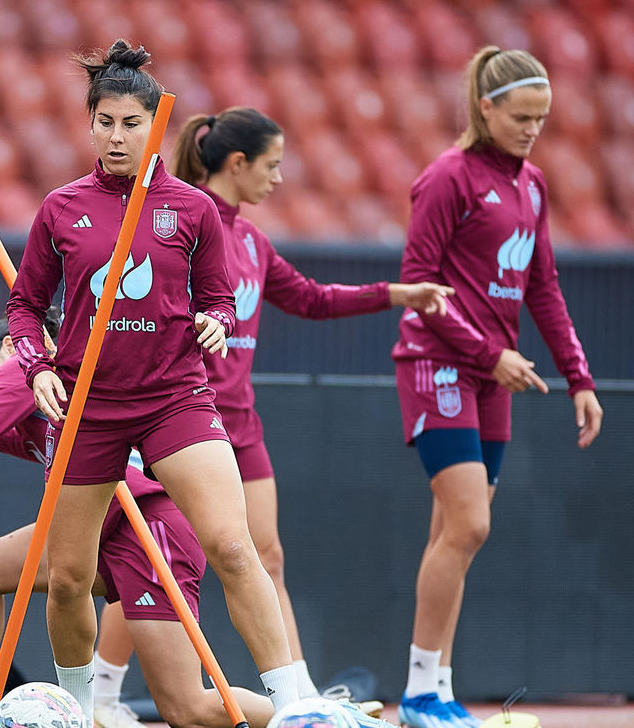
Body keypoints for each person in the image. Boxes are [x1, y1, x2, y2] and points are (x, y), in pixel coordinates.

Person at [5, 39, 297, 717]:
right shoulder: (60, 207)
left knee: (232, 542)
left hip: (175, 399)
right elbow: (24, 306)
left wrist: (217, 321)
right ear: (89, 123)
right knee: (70, 576)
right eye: (103, 121)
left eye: (130, 123)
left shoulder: (191, 208)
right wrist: (36, 364)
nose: (115, 136)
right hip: (87, 407)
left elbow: (219, 297)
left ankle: (294, 703)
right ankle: (79, 709)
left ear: (155, 125)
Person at [0, 317, 278, 728]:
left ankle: (312, 718)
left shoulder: (27, 369)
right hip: (107, 524)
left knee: (189, 709)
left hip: (146, 525)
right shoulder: (49, 387)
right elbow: (27, 443)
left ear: (13, 346)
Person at [167, 107, 455, 702]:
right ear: (238, 163)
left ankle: (298, 700)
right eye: (271, 166)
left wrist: (398, 293)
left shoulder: (250, 238)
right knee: (163, 561)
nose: (278, 179)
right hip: (184, 417)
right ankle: (108, 695)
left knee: (267, 555)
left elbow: (312, 299)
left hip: (240, 422)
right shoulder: (185, 225)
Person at [391, 47, 602, 728]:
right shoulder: (447, 178)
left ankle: (436, 689)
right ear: (486, 108)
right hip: (438, 364)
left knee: (455, 532)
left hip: (491, 374)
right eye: (520, 117)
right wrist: (491, 352)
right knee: (470, 522)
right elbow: (420, 288)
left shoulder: (533, 184)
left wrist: (579, 376)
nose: (531, 129)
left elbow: (542, 285)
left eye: (540, 119)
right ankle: (422, 692)